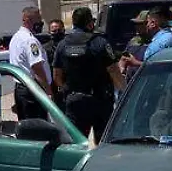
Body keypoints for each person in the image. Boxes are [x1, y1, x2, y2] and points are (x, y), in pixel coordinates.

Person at [53, 7, 124, 141]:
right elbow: (114, 71)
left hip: (75, 101)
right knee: (104, 142)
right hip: (100, 101)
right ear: (90, 24)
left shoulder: (62, 45)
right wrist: (124, 91)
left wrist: (67, 91)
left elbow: (57, 76)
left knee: (76, 142)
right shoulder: (100, 43)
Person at [7, 6, 52, 120]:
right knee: (38, 126)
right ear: (27, 20)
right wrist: (48, 91)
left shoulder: (16, 37)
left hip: (21, 88)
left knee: (26, 125)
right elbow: (37, 68)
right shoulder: (30, 40)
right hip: (32, 90)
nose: (40, 23)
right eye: (38, 20)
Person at [118, 5, 172, 71]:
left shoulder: (157, 44)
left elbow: (153, 69)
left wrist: (135, 63)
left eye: (141, 24)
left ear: (153, 23)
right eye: (135, 24)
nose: (137, 27)